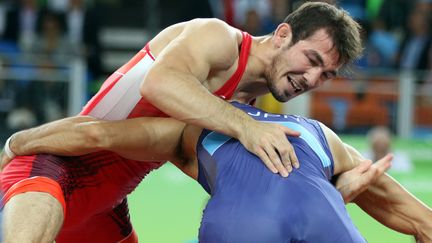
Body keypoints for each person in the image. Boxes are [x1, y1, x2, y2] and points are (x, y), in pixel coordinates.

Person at [1, 2, 363, 242]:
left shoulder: (247, 107)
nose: (313, 79)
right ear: (283, 34)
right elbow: (159, 83)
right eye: (312, 59)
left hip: (107, 205)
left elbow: (240, 189)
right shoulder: (218, 40)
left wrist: (335, 192)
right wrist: (244, 127)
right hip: (51, 168)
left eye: (326, 74)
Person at [3, 101, 432, 242]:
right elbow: (419, 221)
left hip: (240, 225)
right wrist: (336, 196)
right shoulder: (320, 133)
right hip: (323, 214)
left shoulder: (187, 127)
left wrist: (16, 143)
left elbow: (94, 135)